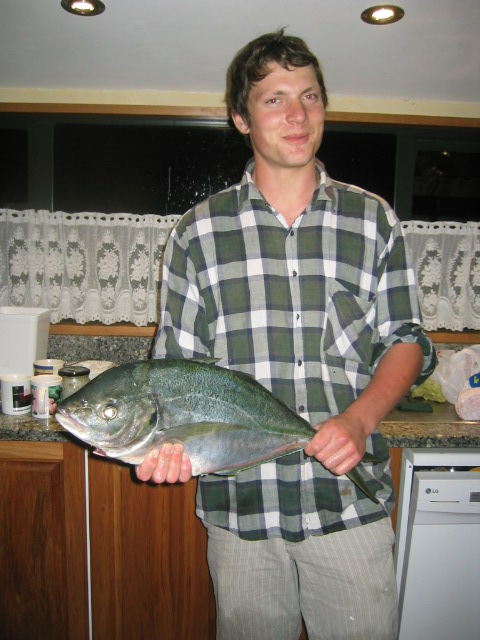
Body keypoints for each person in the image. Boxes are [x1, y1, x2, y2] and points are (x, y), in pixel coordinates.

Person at [137, 29, 435, 640]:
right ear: (241, 119)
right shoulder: (197, 233)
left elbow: (407, 338)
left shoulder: (373, 219)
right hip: (241, 510)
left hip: (350, 504)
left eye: (311, 96)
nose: (297, 115)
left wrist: (360, 419)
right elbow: (176, 372)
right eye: (274, 99)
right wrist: (161, 447)